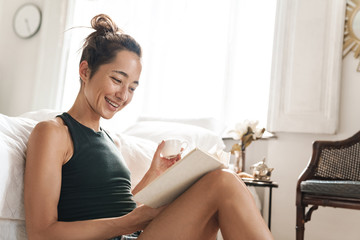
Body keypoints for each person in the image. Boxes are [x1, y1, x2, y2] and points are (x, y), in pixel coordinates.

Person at [24, 14, 273, 240]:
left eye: (132, 87)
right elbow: (41, 232)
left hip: (133, 235)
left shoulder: (108, 139)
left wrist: (153, 176)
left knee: (222, 181)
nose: (123, 95)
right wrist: (130, 221)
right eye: (117, 80)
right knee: (222, 182)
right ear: (85, 70)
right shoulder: (53, 132)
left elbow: (118, 209)